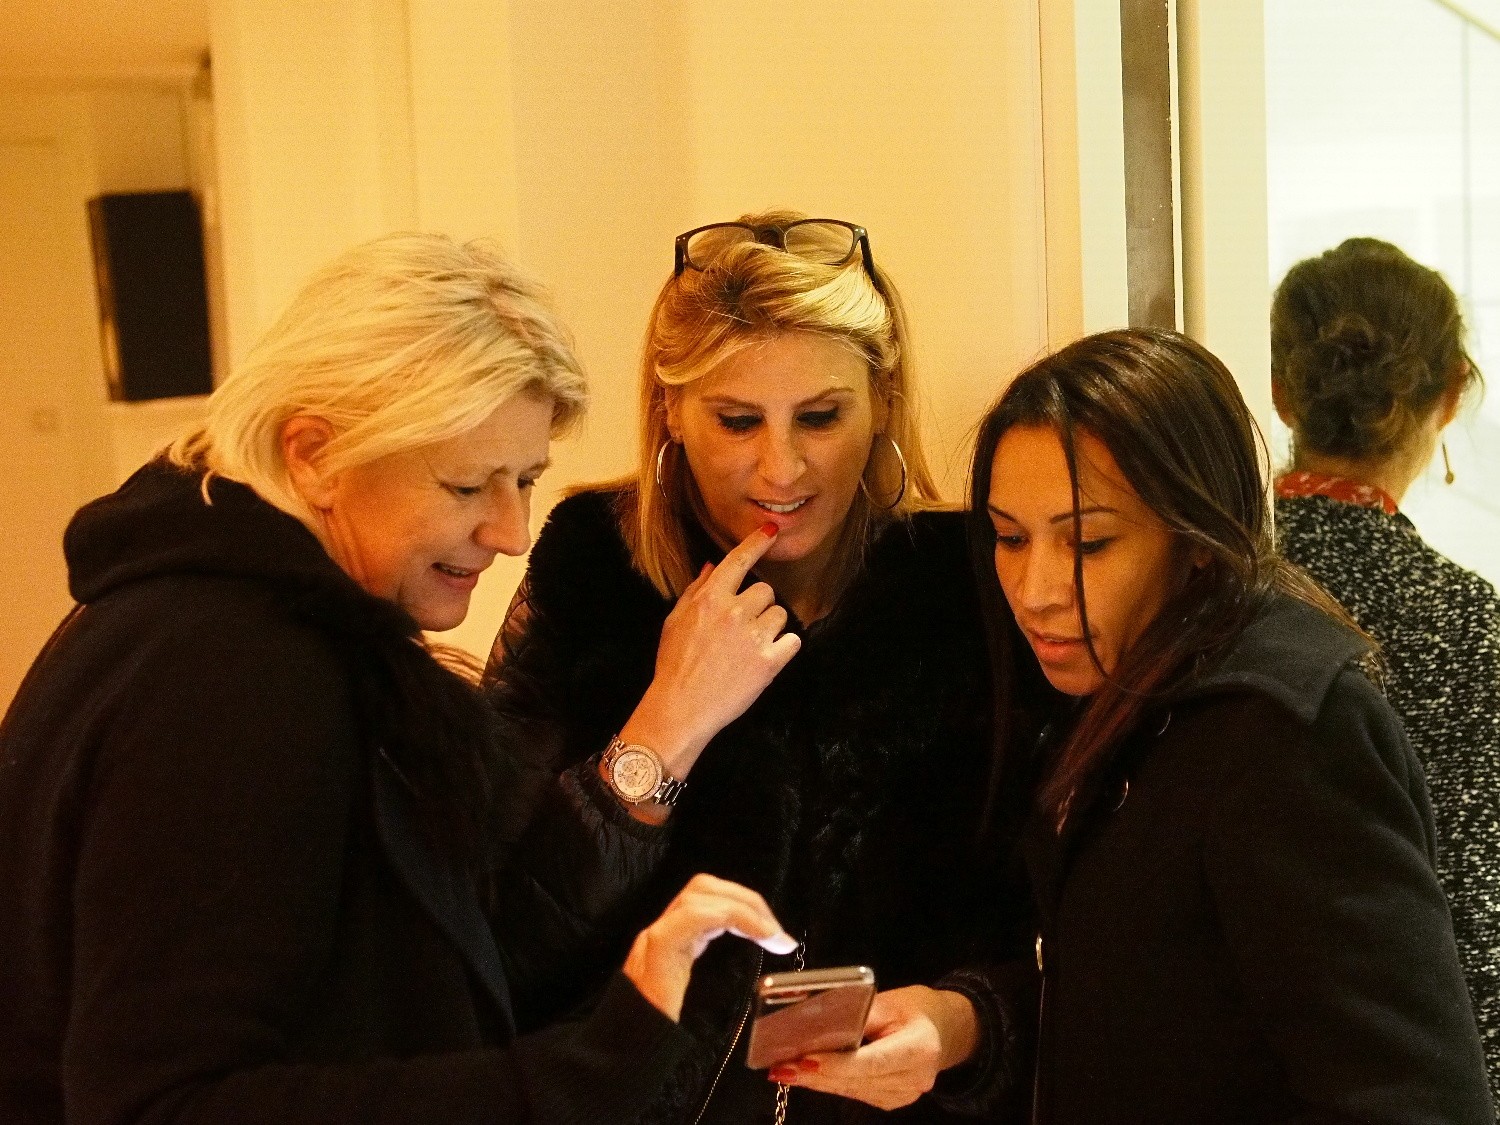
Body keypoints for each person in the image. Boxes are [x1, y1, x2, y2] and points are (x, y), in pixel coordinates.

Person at [0, 233, 801, 1125]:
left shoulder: (196, 626)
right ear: (314, 454)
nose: (511, 532)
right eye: (466, 486)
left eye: (525, 479)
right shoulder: (234, 679)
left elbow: (431, 954)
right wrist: (584, 1074)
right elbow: (164, 1103)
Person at [484, 212, 1025, 1123]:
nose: (782, 466)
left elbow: (1076, 919)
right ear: (670, 409)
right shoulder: (594, 568)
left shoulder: (967, 583)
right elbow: (494, 933)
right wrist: (667, 723)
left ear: (882, 400)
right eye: (737, 421)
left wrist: (966, 1022)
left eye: (821, 416)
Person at [948, 327, 1491, 1123]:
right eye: (1009, 536)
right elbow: (1154, 1003)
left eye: (1089, 542)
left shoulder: (1284, 733)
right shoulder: (1122, 688)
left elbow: (1412, 1097)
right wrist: (963, 1025)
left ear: (1197, 538)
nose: (1035, 589)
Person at [1270, 236, 1500, 1100]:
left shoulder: (1209, 580)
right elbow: (1475, 912)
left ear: (1281, 391)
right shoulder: (1464, 616)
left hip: (1236, 1058)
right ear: (1451, 393)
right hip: (1411, 1072)